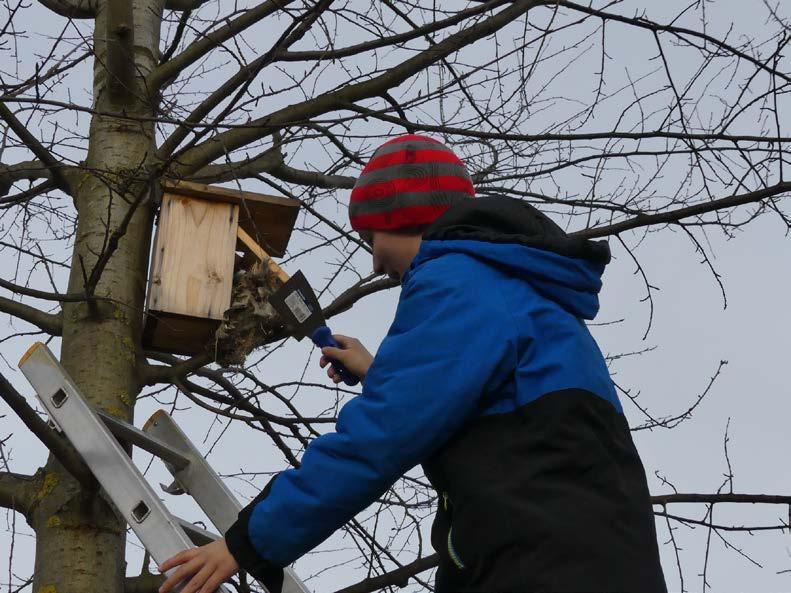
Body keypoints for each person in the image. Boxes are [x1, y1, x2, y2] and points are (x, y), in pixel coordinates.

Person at [157, 134, 667, 593]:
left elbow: (378, 438)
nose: (375, 262)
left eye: (370, 240)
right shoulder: (513, 290)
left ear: (403, 214)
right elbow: (481, 410)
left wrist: (247, 542)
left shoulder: (456, 282)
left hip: (538, 569)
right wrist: (382, 376)